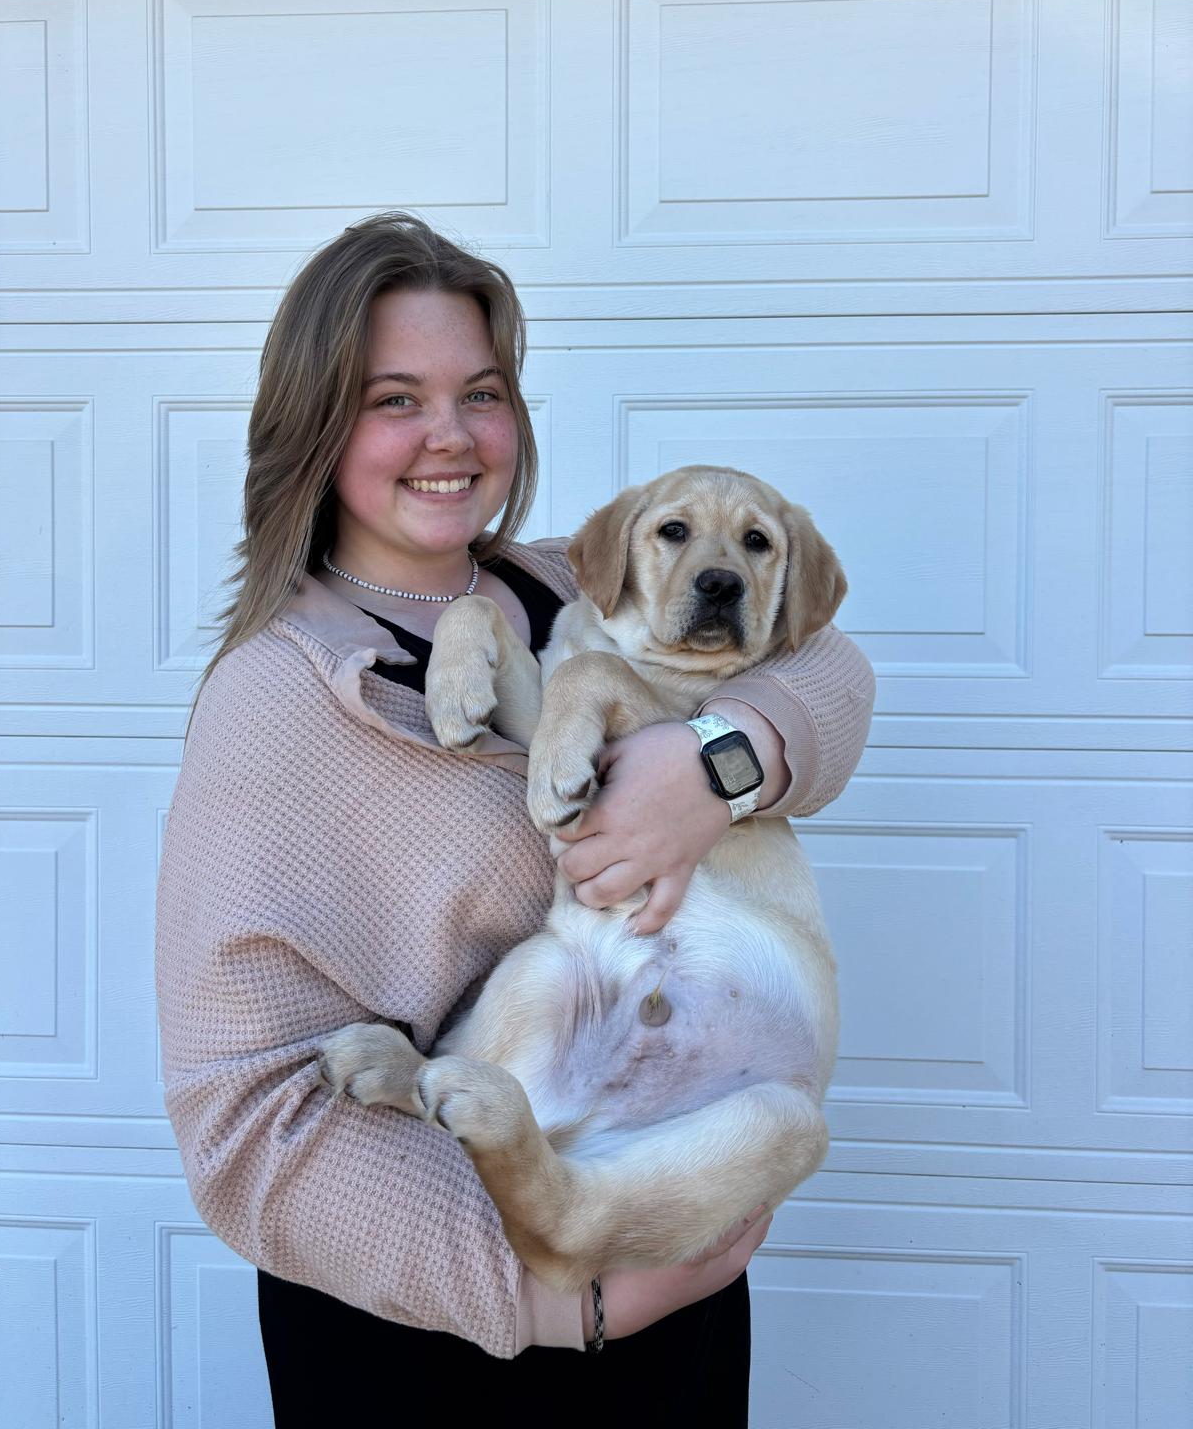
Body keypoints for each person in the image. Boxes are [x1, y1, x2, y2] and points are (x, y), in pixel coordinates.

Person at [156, 212, 875, 1426]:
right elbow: (241, 1114)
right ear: (315, 426)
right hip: (442, 1327)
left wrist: (715, 761)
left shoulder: (562, 583)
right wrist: (555, 1302)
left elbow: (832, 666)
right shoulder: (275, 694)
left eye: (480, 392)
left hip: (665, 1249)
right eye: (396, 398)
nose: (450, 436)